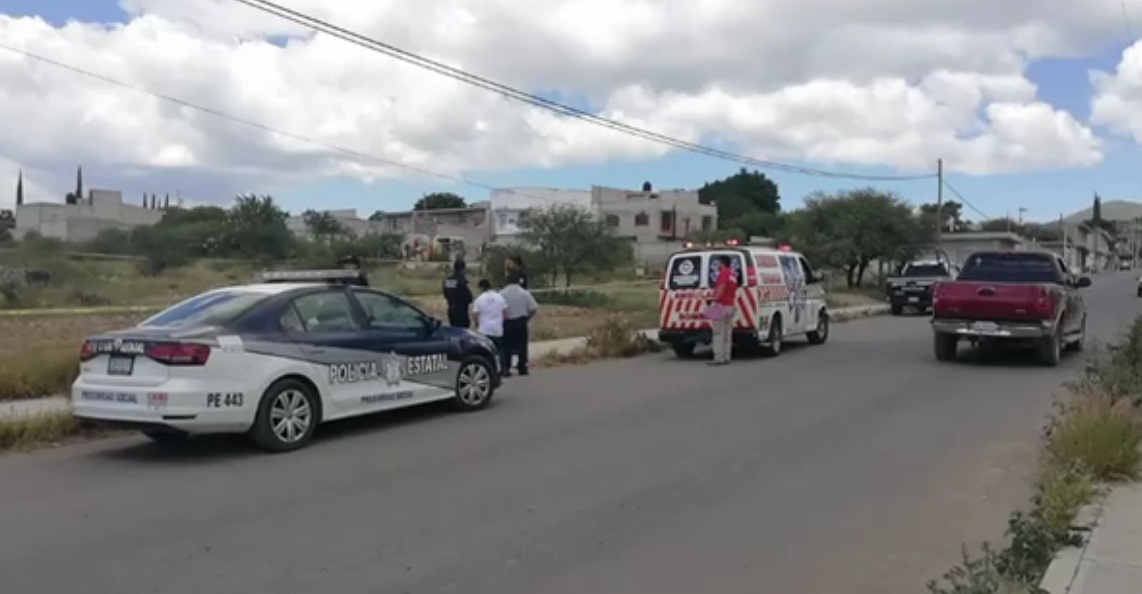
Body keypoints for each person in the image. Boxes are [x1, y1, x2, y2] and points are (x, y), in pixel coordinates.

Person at [500, 276, 538, 376]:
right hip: (521, 321)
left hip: (507, 322)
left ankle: (506, 368)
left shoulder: (502, 294)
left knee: (506, 345)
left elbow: (499, 308)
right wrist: (527, 318)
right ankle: (522, 367)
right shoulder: (524, 293)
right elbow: (534, 308)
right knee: (522, 345)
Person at [707, 254, 738, 365]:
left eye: (719, 263)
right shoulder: (732, 274)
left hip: (721, 305)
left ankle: (718, 357)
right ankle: (726, 356)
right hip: (730, 305)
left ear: (723, 263)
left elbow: (722, 287)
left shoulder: (723, 273)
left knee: (718, 332)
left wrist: (714, 299)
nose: (718, 265)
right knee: (727, 333)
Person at [471, 278, 507, 358]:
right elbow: (504, 313)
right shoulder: (499, 297)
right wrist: (501, 323)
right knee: (499, 351)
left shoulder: (479, 299)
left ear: (481, 288)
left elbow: (475, 315)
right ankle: (502, 368)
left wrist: (477, 325)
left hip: (484, 330)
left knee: (485, 352)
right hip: (497, 330)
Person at [442, 259, 474, 328]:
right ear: (463, 269)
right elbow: (469, 297)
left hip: (451, 310)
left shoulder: (448, 280)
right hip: (461, 311)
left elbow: (446, 294)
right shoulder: (462, 281)